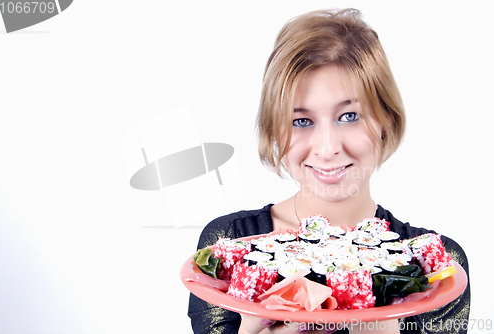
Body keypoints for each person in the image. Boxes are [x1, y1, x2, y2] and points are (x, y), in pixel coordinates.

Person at [188, 8, 470, 334]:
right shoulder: (228, 245)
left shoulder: (438, 269)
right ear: (275, 131)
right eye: (301, 121)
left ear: (386, 119)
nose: (326, 148)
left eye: (349, 116)